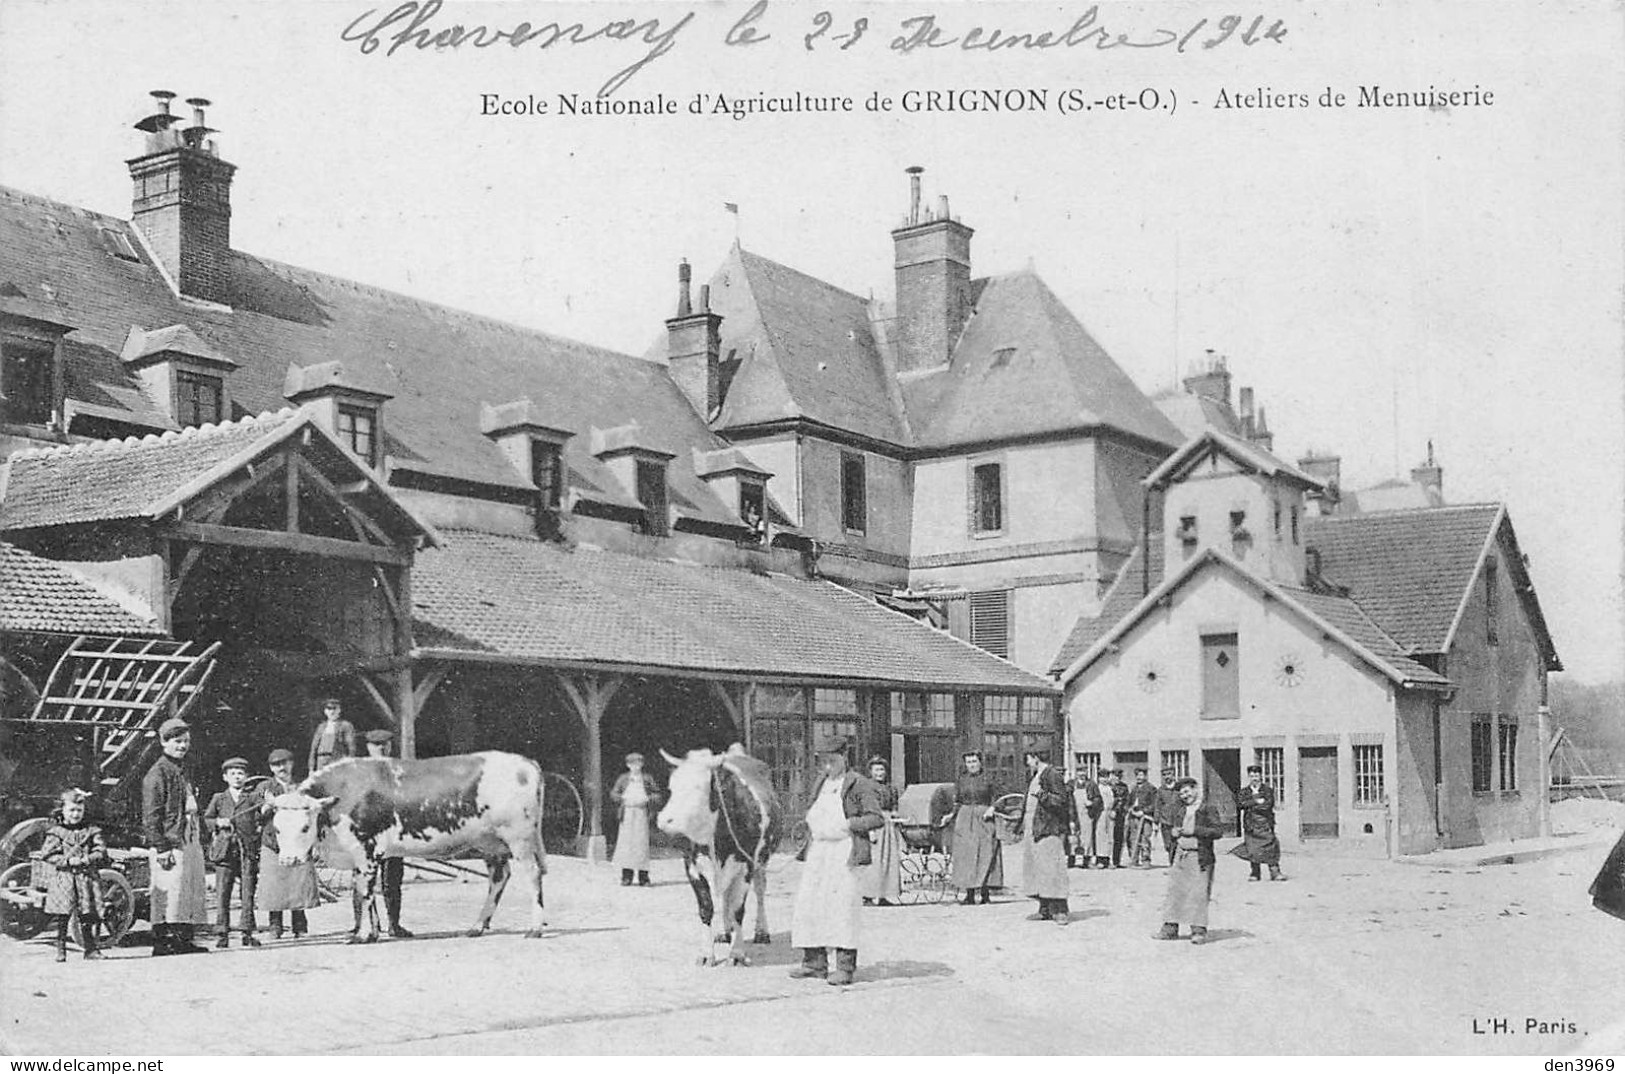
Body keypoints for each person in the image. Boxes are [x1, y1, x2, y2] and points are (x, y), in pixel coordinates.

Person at [789, 738, 883, 986]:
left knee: (841, 907)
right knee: (810, 903)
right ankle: (814, 962)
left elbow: (875, 818)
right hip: (818, 850)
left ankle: (844, 967)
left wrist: (849, 824)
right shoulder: (821, 782)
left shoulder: (858, 784)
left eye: (832, 761)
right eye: (823, 762)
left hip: (844, 851)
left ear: (844, 757)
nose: (827, 766)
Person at [142, 717, 209, 955]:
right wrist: (161, 848)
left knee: (186, 889)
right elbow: (151, 816)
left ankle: (183, 940)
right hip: (170, 841)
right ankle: (163, 943)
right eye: (178, 741)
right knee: (169, 890)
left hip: (189, 836)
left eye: (186, 741)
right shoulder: (158, 773)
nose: (183, 746)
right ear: (164, 742)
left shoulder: (182, 769)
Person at [1153, 777, 1225, 944]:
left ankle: (1198, 931)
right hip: (1180, 855)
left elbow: (1218, 831)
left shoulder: (1207, 808)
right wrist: (1174, 833)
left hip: (1200, 856)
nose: (1185, 796)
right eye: (1181, 793)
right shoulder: (1180, 810)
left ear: (1195, 789)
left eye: (1187, 791)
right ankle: (1170, 928)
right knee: (1175, 891)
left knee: (1198, 894)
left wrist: (1195, 830)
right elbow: (1173, 828)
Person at [40, 788, 109, 962]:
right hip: (65, 878)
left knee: (87, 914)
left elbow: (101, 851)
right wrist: (67, 861)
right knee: (63, 916)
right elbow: (48, 854)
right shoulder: (56, 832)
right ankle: (61, 949)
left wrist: (88, 858)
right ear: (62, 810)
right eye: (71, 810)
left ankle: (90, 949)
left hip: (86, 878)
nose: (75, 814)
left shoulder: (92, 831)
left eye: (79, 810)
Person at [257, 748, 318, 939]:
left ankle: (299, 924)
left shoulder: (303, 786)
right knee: (275, 884)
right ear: (271, 768)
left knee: (297, 883)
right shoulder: (264, 787)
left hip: (299, 842)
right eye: (276, 765)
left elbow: (315, 815)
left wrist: (314, 843)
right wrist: (266, 806)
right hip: (274, 842)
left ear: (292, 764)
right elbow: (256, 813)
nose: (281, 767)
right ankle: (275, 925)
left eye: (285, 763)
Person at [203, 757, 263, 948]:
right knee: (223, 893)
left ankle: (247, 932)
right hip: (225, 851)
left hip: (246, 850)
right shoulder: (218, 798)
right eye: (233, 774)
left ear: (246, 777)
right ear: (225, 777)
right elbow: (206, 819)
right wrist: (218, 823)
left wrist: (269, 805)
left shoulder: (253, 798)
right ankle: (222, 933)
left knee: (248, 892)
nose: (237, 777)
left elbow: (262, 817)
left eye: (241, 773)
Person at [357, 729, 412, 938]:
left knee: (393, 879)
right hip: (368, 833)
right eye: (377, 745)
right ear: (369, 747)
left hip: (391, 832)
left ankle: (394, 924)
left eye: (385, 744)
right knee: (365, 880)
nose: (381, 748)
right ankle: (370, 925)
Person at [1017, 748, 1072, 925]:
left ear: (1035, 758)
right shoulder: (1036, 775)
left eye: (1028, 759)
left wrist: (1042, 795)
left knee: (1052, 869)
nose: (1027, 763)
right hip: (1033, 827)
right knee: (1037, 869)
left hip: (1047, 827)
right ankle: (1045, 908)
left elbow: (1061, 800)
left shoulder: (1052, 774)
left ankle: (1060, 910)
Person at [949, 751, 1003, 904]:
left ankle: (985, 892)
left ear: (980, 762)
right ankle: (970, 894)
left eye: (974, 761)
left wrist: (993, 808)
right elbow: (957, 801)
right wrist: (951, 815)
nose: (971, 765)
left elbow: (999, 797)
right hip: (965, 817)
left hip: (984, 817)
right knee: (967, 855)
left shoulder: (989, 778)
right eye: (968, 762)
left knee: (986, 853)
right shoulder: (961, 780)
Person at [610, 752, 663, 887]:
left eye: (638, 763)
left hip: (641, 813)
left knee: (641, 844)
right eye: (633, 764)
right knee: (627, 844)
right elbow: (614, 793)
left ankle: (643, 877)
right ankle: (626, 876)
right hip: (627, 813)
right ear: (628, 765)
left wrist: (648, 799)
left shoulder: (647, 778)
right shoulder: (623, 779)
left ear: (642, 764)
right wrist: (622, 798)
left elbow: (657, 794)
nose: (636, 766)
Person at [1230, 764, 1286, 881]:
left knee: (1271, 847)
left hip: (1265, 824)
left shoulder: (1267, 790)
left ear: (1260, 776)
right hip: (1251, 825)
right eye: (1251, 776)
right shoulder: (1244, 792)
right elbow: (1240, 804)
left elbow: (1267, 805)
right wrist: (1256, 801)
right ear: (1248, 777)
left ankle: (1275, 872)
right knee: (1253, 849)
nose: (1254, 778)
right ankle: (1255, 873)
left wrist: (1250, 804)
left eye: (1256, 775)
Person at [859, 756, 902, 907]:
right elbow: (865, 808)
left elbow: (894, 803)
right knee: (875, 861)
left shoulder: (890, 787)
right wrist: (870, 831)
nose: (880, 773)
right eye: (877, 769)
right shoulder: (866, 787)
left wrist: (895, 812)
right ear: (870, 771)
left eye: (882, 769)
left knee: (888, 860)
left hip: (888, 825)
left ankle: (884, 895)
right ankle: (868, 896)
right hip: (874, 823)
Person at [1067, 761, 1103, 869]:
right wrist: (1070, 816)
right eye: (1079, 771)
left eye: (1083, 771)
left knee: (1086, 838)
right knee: (1073, 838)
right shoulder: (1070, 784)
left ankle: (1086, 860)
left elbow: (1099, 799)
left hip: (1086, 814)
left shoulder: (1091, 784)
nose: (1081, 774)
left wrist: (1092, 803)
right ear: (1076, 772)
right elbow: (1067, 799)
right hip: (1073, 813)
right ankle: (1072, 860)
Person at [307, 697, 356, 775]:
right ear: (325, 711)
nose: (332, 712)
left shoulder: (345, 725)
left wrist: (349, 765)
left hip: (336, 761)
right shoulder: (321, 727)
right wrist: (311, 768)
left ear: (339, 710)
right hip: (321, 762)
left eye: (335, 709)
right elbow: (314, 748)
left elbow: (351, 748)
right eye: (329, 709)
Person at [1127, 769, 1159, 868]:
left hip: (1146, 817)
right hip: (1134, 816)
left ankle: (1146, 860)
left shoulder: (1151, 788)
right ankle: (1134, 859)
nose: (1139, 777)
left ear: (1145, 776)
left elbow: (1154, 804)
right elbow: (1129, 802)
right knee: (1133, 838)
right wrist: (1130, 810)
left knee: (1145, 838)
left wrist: (1144, 811)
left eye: (1141, 775)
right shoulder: (1134, 788)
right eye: (1137, 775)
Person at [1155, 766, 1183, 866]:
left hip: (1177, 820)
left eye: (1169, 774)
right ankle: (1172, 859)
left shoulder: (1179, 788)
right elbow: (1157, 805)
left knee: (1175, 842)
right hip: (1165, 820)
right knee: (1167, 844)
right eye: (1164, 775)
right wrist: (1156, 820)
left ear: (1174, 775)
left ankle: (1173, 863)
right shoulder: (1161, 790)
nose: (1167, 776)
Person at [1092, 769, 1117, 868]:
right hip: (1100, 813)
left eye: (1106, 777)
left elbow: (1114, 801)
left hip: (1109, 813)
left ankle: (1108, 859)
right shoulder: (1097, 788)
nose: (1104, 779)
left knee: (1110, 836)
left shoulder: (1110, 789)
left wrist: (1114, 810)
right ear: (1098, 778)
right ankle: (1100, 860)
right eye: (1102, 777)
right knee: (1100, 835)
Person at [1109, 769, 1130, 867]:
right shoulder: (1107, 786)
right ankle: (1103, 860)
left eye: (1118, 777)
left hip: (1119, 816)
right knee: (1106, 838)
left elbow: (1125, 801)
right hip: (1106, 814)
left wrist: (1120, 811)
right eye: (1114, 776)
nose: (1116, 778)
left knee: (1118, 838)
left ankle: (1116, 861)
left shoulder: (1124, 787)